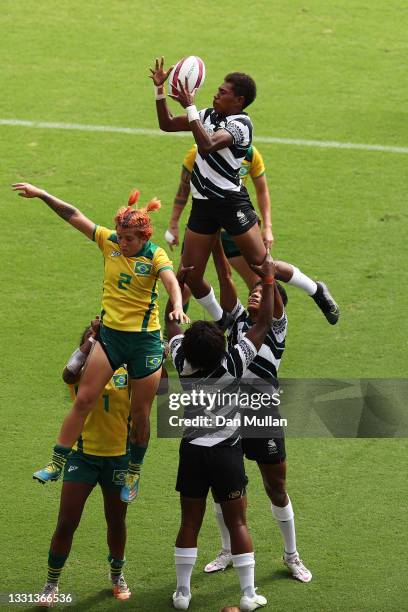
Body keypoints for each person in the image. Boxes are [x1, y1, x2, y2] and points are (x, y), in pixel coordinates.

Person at [12, 182, 188, 503]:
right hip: (110, 338)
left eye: (129, 238)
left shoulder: (156, 255)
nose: (122, 242)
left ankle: (133, 471)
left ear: (144, 237)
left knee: (140, 414)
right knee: (84, 399)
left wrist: (176, 305)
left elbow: (170, 280)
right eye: (120, 236)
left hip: (145, 343)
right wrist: (42, 194)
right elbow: (74, 215)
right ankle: (57, 461)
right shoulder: (109, 242)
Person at [165, 255, 277, 612]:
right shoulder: (233, 363)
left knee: (190, 521)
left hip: (193, 450)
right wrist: (269, 281)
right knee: (238, 521)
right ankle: (247, 595)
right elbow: (260, 326)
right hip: (227, 451)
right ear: (219, 346)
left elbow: (172, 326)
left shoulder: (182, 362)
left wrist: (179, 286)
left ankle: (182, 593)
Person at [203, 238, 312, 583]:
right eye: (254, 291)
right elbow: (224, 276)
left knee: (276, 488)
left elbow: (269, 288)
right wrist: (213, 240)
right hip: (226, 417)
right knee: (224, 489)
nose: (255, 293)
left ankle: (291, 555)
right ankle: (228, 551)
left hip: (262, 416)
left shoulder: (276, 328)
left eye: (262, 292)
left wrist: (267, 278)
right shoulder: (235, 322)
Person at [150, 57, 269, 324]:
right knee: (190, 273)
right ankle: (224, 318)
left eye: (223, 92)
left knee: (262, 265)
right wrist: (160, 90)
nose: (216, 94)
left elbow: (207, 145)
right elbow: (167, 123)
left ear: (238, 101)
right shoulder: (206, 116)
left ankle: (312, 288)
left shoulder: (241, 125)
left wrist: (191, 107)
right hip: (203, 205)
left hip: (231, 204)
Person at [166, 144, 340, 324]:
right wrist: (173, 224)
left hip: (233, 225)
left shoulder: (248, 153)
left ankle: (315, 290)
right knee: (187, 280)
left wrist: (268, 227)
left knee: (261, 275)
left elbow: (262, 190)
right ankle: (176, 332)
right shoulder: (196, 152)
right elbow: (184, 188)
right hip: (203, 223)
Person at [38, 320, 132, 606]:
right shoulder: (80, 374)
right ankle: (50, 584)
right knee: (67, 522)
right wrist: (92, 339)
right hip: (83, 456)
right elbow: (67, 373)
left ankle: (117, 575)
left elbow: (159, 386)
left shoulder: (127, 371)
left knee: (116, 521)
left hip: (118, 458)